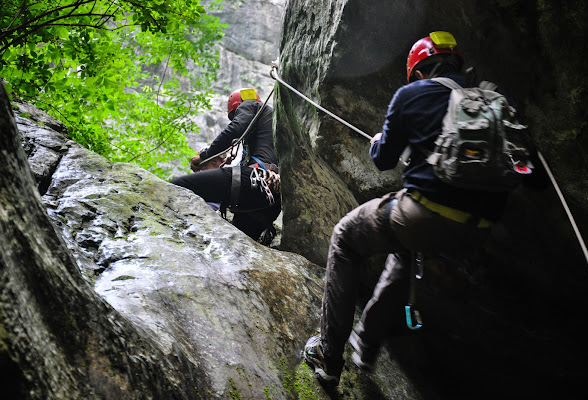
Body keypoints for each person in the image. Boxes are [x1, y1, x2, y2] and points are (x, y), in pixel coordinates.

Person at [302, 31, 543, 385]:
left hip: (421, 214)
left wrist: (377, 143)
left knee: (345, 238)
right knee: (403, 253)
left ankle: (328, 354)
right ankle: (366, 343)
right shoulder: (497, 100)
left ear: (417, 71)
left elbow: (383, 160)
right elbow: (533, 176)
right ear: (458, 63)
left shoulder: (411, 94)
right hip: (477, 232)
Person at [171, 88, 281, 243]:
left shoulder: (250, 105)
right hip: (270, 200)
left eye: (235, 115)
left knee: (176, 186)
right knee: (238, 247)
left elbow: (237, 127)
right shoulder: (271, 127)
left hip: (256, 181)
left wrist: (204, 155)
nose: (237, 117)